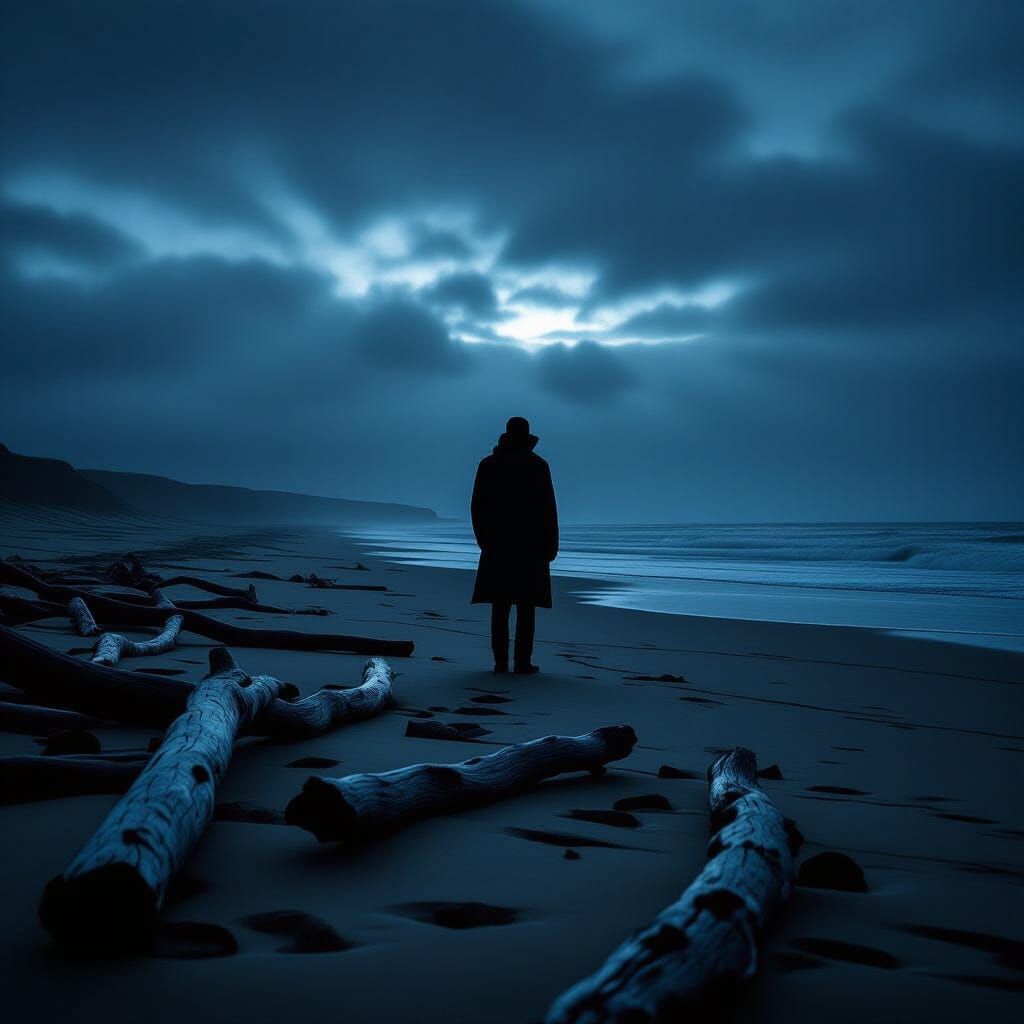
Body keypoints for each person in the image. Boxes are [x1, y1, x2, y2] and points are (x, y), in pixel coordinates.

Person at [470, 416, 559, 674]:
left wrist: (483, 539)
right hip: (530, 545)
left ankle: (500, 662)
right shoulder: (538, 466)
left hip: (497, 544)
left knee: (501, 605)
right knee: (525, 605)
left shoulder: (489, 465)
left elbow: (477, 506)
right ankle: (521, 662)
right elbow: (548, 510)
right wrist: (551, 544)